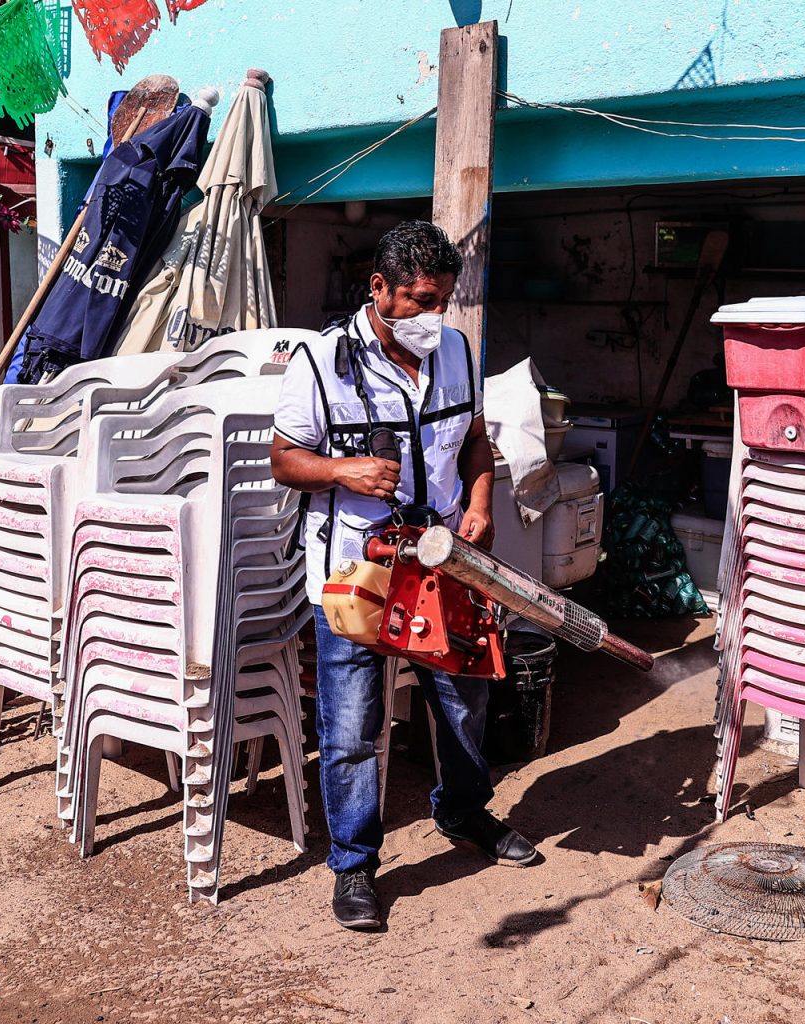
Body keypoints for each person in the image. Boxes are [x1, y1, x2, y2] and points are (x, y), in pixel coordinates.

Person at [271, 221, 538, 931]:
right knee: (354, 726)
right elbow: (283, 461)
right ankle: (354, 866)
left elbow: (474, 441)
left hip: (445, 563)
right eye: (418, 300)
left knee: (463, 704)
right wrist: (342, 470)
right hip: (356, 574)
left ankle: (463, 811)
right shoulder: (321, 362)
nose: (431, 316)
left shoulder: (455, 350)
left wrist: (480, 504)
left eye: (442, 300)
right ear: (379, 289)